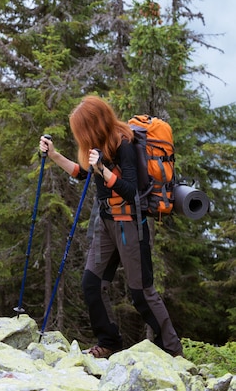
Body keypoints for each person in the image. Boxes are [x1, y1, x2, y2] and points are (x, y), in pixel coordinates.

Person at [39, 95, 183, 358]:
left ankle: (173, 352)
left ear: (95, 124)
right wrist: (54, 155)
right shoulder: (97, 145)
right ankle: (109, 342)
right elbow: (82, 173)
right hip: (106, 224)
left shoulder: (124, 143)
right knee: (91, 284)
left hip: (130, 225)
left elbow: (132, 192)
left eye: (82, 130)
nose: (80, 137)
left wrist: (103, 169)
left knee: (141, 293)